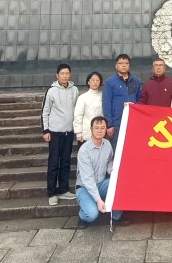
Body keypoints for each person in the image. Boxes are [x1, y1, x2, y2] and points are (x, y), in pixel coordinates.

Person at [75, 116, 129, 229]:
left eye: (102, 128)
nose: (99, 130)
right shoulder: (84, 150)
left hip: (101, 184)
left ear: (106, 130)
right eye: (96, 128)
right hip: (85, 187)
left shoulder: (107, 144)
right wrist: (99, 200)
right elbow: (88, 179)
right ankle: (82, 215)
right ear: (91, 129)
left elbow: (109, 161)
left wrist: (112, 171)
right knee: (92, 214)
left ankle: (116, 216)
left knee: (120, 183)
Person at [40, 63, 78, 206]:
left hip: (69, 132)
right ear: (57, 75)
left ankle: (63, 189)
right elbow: (45, 111)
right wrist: (45, 130)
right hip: (55, 133)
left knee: (66, 162)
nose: (64, 76)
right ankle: (52, 193)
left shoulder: (74, 90)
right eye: (62, 73)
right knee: (54, 163)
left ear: (70, 74)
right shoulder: (51, 91)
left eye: (67, 73)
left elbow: (77, 109)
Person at [102, 53, 142, 150]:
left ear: (129, 65)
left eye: (126, 63)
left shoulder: (136, 81)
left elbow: (139, 101)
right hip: (117, 123)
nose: (124, 65)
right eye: (121, 63)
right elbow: (106, 103)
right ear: (116, 66)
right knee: (116, 150)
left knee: (131, 149)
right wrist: (109, 124)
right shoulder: (110, 82)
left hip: (132, 122)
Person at [73, 71, 104, 145]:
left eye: (97, 80)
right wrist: (78, 133)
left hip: (100, 133)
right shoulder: (82, 97)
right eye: (93, 80)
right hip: (86, 134)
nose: (95, 82)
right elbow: (78, 115)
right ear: (88, 82)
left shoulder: (103, 96)